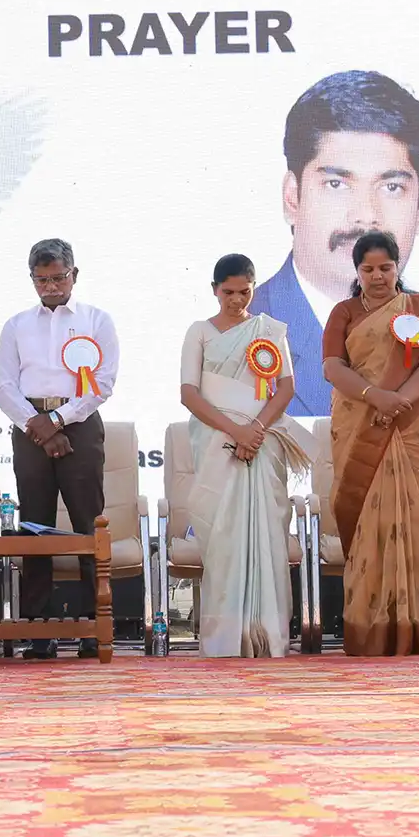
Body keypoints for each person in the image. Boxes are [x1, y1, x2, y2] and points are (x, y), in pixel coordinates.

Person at [252, 70, 419, 419]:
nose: (365, 216)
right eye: (336, 184)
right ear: (292, 197)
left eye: (391, 187)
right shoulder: (237, 334)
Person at [321, 232, 419, 656]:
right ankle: (371, 630)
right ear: (357, 272)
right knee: (368, 523)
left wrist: (400, 400)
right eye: (368, 269)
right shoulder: (344, 312)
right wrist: (376, 397)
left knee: (416, 521)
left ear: (398, 267)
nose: (377, 276)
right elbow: (331, 367)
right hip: (361, 423)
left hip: (411, 425)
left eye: (385, 268)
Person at [0, 238, 120, 659]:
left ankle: (94, 626)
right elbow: (5, 387)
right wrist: (41, 426)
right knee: (34, 527)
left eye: (58, 278)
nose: (50, 286)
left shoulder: (96, 320)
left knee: (88, 526)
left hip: (79, 427)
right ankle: (39, 630)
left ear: (74, 275)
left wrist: (59, 420)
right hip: (30, 428)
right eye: (41, 280)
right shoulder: (16, 325)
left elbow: (102, 383)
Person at [179, 254, 308, 657]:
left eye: (244, 292)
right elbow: (189, 394)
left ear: (253, 288)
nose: (236, 300)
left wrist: (256, 430)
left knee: (267, 534)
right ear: (214, 290)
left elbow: (285, 388)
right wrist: (235, 431)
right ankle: (226, 637)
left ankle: (267, 635)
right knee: (224, 537)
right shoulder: (199, 332)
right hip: (217, 443)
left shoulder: (268, 331)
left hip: (263, 443)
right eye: (228, 292)